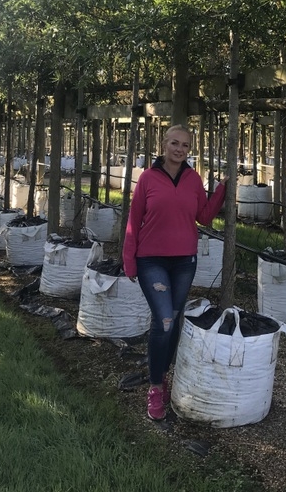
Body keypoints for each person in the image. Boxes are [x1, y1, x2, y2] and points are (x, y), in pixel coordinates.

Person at [121, 124, 227, 421]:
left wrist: (221, 189)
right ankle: (155, 387)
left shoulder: (193, 179)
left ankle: (163, 373)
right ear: (163, 144)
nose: (180, 149)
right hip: (151, 260)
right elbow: (134, 220)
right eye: (174, 143)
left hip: (183, 261)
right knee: (164, 321)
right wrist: (129, 259)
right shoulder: (148, 178)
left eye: (185, 145)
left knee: (174, 319)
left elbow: (204, 216)